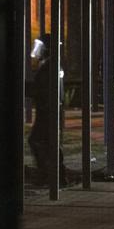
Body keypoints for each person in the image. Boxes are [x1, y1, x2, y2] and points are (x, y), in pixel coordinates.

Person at [27, 34, 68, 186]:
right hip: (49, 110)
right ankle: (56, 175)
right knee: (49, 143)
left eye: (40, 47)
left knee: (38, 141)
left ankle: (47, 175)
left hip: (47, 111)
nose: (37, 50)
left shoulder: (49, 67)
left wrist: (23, 87)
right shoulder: (51, 65)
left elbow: (40, 89)